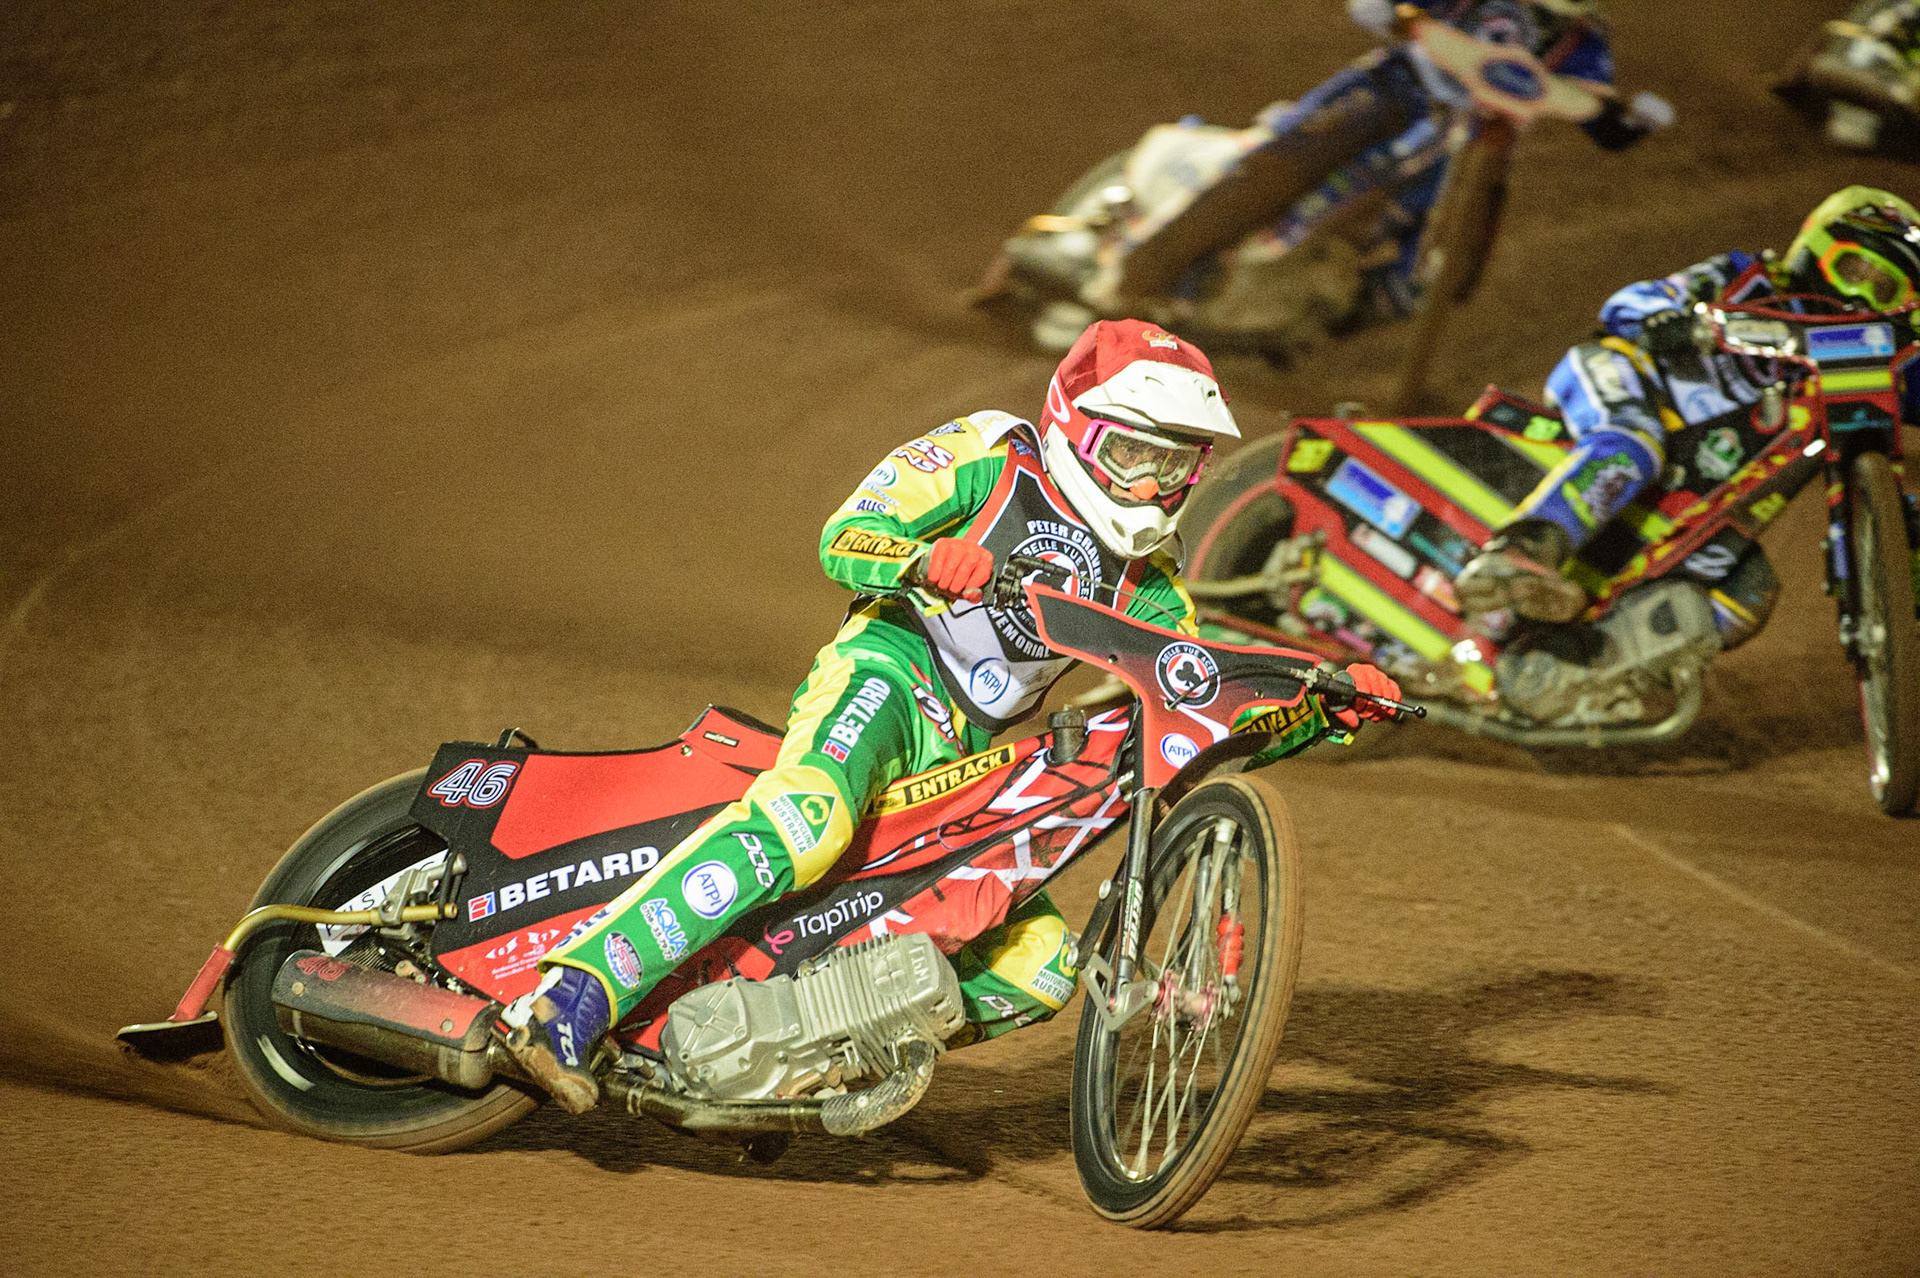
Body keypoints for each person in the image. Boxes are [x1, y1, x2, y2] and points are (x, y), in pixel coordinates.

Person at [503, 320, 1403, 1112]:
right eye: (1134, 454)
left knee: (1043, 967)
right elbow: (843, 536)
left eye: (1173, 465)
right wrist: (926, 559)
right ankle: (569, 997)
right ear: (1076, 429)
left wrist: (1319, 712)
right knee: (807, 822)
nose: (1150, 485)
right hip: (888, 675)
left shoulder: (1157, 587)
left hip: (968, 756)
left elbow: (1191, 719)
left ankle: (787, 1051)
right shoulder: (992, 453)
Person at [1455, 185, 1920, 632]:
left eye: (1885, 291)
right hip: (1628, 377)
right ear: (1815, 248)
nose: (1860, 296)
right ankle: (1516, 552)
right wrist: (1664, 317)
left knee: (1745, 593)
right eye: (1855, 270)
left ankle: (1580, 664)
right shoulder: (1746, 279)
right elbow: (1633, 302)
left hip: (1693, 492)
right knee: (1631, 444)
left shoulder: (1869, 371)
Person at [1082, 0, 1665, 318]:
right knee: (1279, 167)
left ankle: (1318, 321)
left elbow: (1605, 115)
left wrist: (1622, 119)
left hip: (1471, 141)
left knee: (1452, 262)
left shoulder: (1581, 43)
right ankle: (1135, 272)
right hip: (1396, 93)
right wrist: (1407, 19)